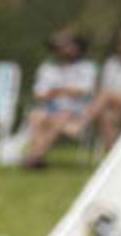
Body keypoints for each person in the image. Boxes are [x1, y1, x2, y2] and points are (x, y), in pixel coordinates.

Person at [22, 30, 96, 169]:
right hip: (50, 110)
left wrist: (56, 92)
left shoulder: (86, 67)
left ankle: (34, 157)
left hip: (76, 114)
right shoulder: (47, 68)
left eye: (69, 45)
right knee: (35, 116)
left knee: (61, 116)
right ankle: (37, 157)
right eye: (62, 46)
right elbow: (39, 93)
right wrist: (64, 92)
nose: (65, 50)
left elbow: (83, 91)